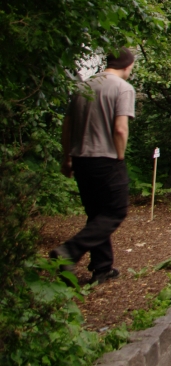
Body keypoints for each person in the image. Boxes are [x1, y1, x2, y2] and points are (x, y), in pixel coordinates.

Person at [50, 48, 137, 285]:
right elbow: (120, 128)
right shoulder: (122, 88)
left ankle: (102, 268)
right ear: (127, 65)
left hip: (81, 159)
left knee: (97, 214)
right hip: (106, 159)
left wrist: (67, 158)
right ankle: (69, 251)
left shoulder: (83, 87)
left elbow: (67, 126)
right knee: (116, 211)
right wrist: (119, 157)